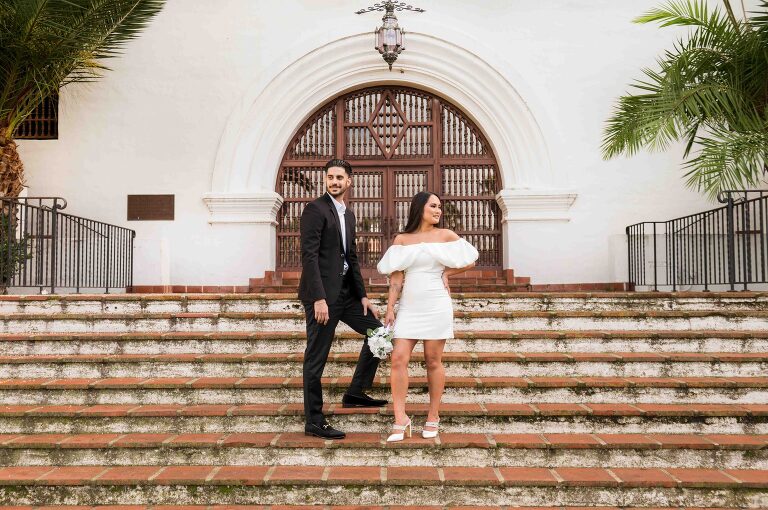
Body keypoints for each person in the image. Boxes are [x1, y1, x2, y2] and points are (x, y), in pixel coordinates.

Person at [377, 191, 479, 442]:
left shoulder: (446, 236)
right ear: (420, 207)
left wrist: (449, 273)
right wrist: (390, 308)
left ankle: (433, 415)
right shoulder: (402, 239)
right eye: (433, 206)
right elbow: (396, 278)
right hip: (410, 307)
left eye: (440, 207)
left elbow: (471, 259)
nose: (438, 210)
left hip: (436, 304)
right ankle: (401, 419)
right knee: (398, 358)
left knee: (433, 360)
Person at [298, 158, 387, 440]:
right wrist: (318, 298)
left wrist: (363, 296)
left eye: (340, 177)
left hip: (347, 295)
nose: (334, 182)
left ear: (349, 181)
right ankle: (314, 419)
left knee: (380, 332)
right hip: (322, 297)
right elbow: (309, 256)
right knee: (316, 358)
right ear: (326, 180)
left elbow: (352, 258)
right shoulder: (315, 209)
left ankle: (355, 392)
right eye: (330, 177)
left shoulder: (348, 214)